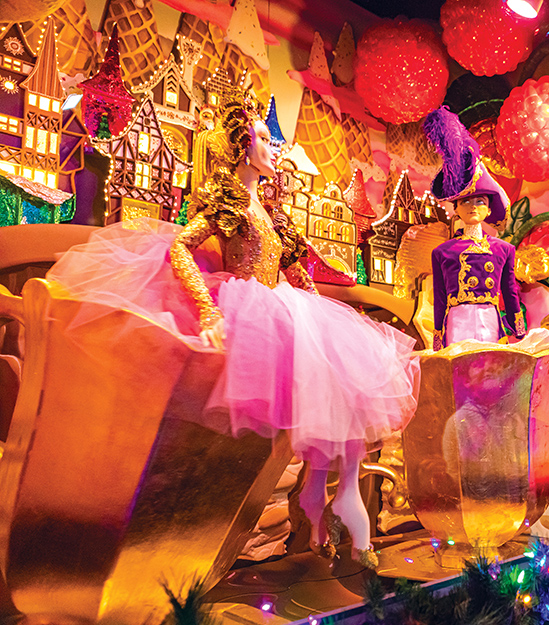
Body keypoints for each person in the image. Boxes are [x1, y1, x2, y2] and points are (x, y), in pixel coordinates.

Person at [45, 92, 421, 569]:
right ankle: (310, 505)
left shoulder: (272, 214)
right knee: (294, 414)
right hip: (247, 307)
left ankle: (327, 499)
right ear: (242, 146)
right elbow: (182, 246)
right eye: (264, 138)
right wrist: (207, 308)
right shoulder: (231, 209)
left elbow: (297, 273)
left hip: (283, 309)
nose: (273, 147)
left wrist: (323, 318)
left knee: (339, 398)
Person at [424, 106, 526, 350]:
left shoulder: (504, 250)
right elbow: (440, 298)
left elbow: (509, 291)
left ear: (489, 209)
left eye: (480, 201)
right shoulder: (442, 252)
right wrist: (438, 335)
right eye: (465, 202)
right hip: (457, 322)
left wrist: (517, 327)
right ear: (455, 209)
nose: (473, 207)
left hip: (490, 319)